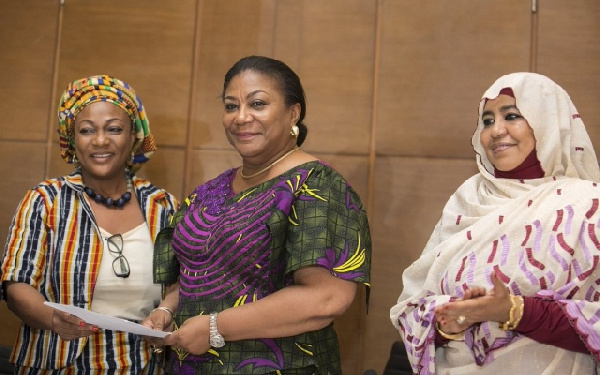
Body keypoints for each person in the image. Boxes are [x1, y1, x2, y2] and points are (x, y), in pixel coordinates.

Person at [143, 55, 372, 374]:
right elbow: (198, 275)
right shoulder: (208, 192)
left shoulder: (315, 187)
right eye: (231, 106)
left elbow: (326, 299)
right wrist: (166, 311)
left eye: (258, 104)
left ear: (293, 112)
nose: (241, 117)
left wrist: (214, 327)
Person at [390, 72, 600, 374]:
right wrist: (455, 317)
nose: (496, 130)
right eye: (487, 120)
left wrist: (514, 311)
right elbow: (412, 307)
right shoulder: (468, 198)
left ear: (549, 124)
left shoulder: (586, 204)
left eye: (512, 116)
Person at [0, 75, 179, 374]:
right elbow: (17, 283)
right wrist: (52, 319)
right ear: (72, 138)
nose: (100, 140)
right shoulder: (45, 200)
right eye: (86, 130)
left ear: (133, 135)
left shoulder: (165, 206)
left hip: (143, 364)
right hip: (59, 365)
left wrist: (165, 311)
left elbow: (180, 282)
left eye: (114, 129)